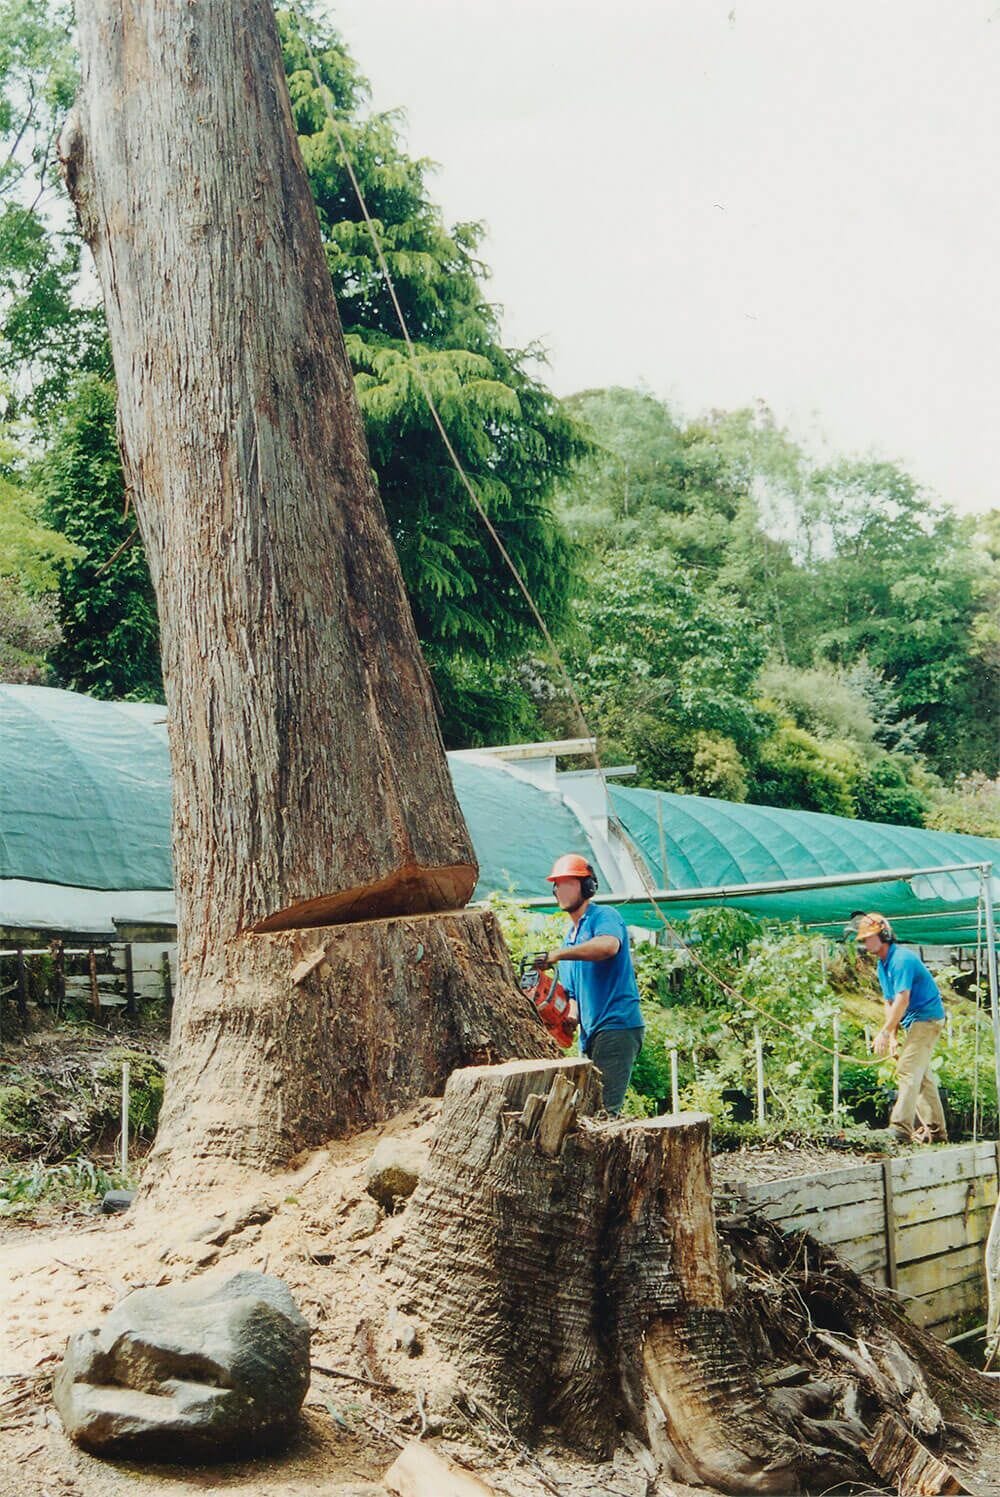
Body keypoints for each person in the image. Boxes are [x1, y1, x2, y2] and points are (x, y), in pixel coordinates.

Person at [533, 853, 644, 1115]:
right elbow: (572, 996)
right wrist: (567, 1018)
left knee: (603, 1110)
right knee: (587, 1109)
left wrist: (557, 956)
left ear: (587, 886)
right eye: (558, 884)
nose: (561, 889)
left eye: (569, 883)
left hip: (617, 1024)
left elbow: (608, 946)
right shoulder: (568, 939)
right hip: (591, 1033)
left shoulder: (603, 916)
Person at [856, 912, 947, 1144]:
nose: (864, 943)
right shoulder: (883, 965)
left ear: (884, 935)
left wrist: (885, 1032)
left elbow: (902, 999)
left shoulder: (901, 960)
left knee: (907, 1069)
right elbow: (889, 1002)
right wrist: (893, 1034)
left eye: (868, 938)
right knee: (921, 1075)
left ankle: (900, 1128)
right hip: (914, 1021)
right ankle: (936, 1132)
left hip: (927, 1019)